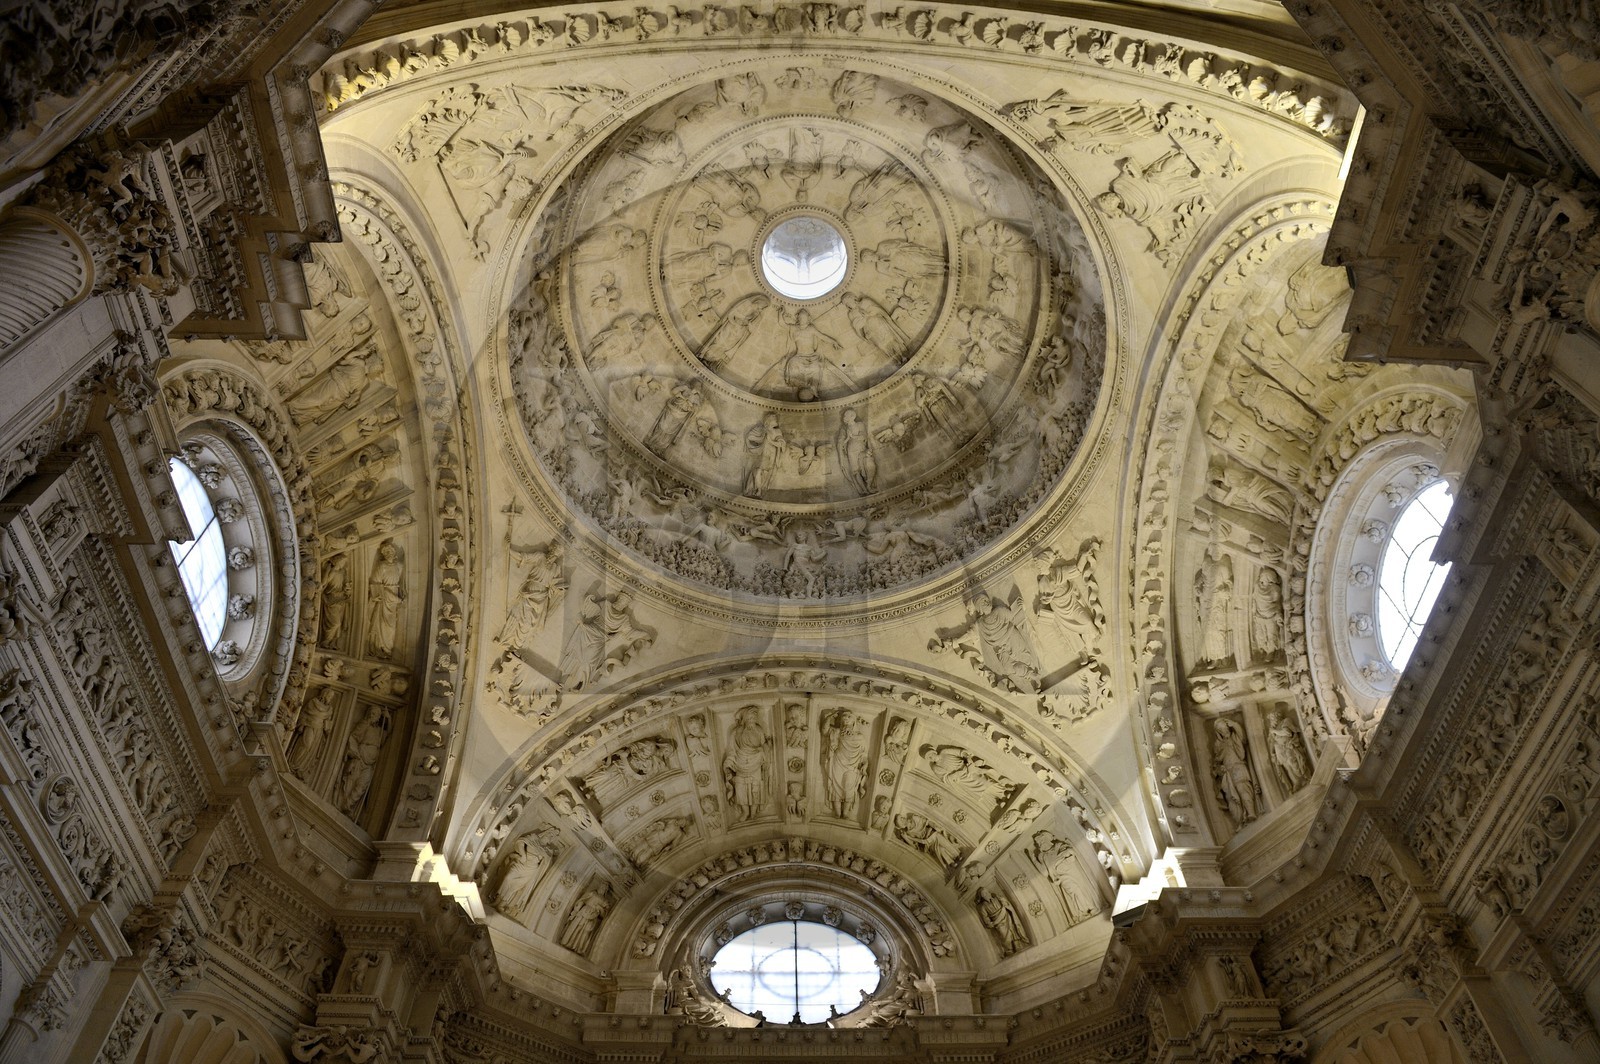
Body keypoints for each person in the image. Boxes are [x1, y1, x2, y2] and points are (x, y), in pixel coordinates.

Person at [723, 706, 771, 820]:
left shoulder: (759, 729)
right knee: (740, 788)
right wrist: (729, 762)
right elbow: (731, 749)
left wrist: (765, 748)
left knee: (756, 788)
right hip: (740, 762)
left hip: (756, 760)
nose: (752, 720)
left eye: (754, 718)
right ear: (745, 718)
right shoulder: (736, 731)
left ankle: (753, 813)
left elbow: (763, 744)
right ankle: (745, 812)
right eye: (750, 718)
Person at [365, 539, 404, 657]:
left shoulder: (399, 566)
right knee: (382, 624)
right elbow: (375, 583)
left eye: (390, 551)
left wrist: (398, 596)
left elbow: (402, 582)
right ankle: (380, 647)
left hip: (394, 597)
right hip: (384, 598)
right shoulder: (381, 566)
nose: (389, 553)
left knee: (391, 626)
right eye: (386, 552)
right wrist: (386, 595)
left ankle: (387, 648)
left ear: (394, 552)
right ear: (383, 554)